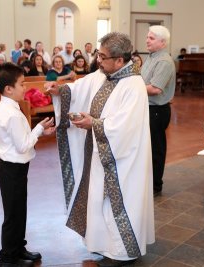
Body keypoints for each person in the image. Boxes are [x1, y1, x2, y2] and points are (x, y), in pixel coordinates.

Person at [47, 32, 155, 267]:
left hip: (122, 161)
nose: (98, 60)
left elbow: (126, 127)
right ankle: (107, 247)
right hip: (98, 154)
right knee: (99, 202)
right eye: (98, 54)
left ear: (119, 60)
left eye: (103, 57)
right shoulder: (105, 74)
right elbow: (81, 88)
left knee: (116, 203)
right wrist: (61, 91)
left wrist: (93, 124)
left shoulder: (134, 85)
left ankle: (122, 252)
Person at [0, 62, 55, 267]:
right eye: (21, 84)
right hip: (12, 168)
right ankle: (8, 258)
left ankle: (18, 248)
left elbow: (20, 139)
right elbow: (22, 145)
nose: (25, 87)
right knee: (13, 214)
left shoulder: (10, 106)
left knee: (19, 210)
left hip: (14, 167)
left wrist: (37, 132)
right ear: (8, 89)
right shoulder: (10, 113)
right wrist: (38, 130)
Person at [141, 25, 176, 196]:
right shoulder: (151, 57)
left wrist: (132, 87)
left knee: (156, 149)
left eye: (151, 38)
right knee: (146, 148)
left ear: (162, 42)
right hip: (148, 108)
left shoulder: (163, 61)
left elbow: (155, 89)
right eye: (147, 37)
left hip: (157, 110)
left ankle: (155, 186)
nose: (147, 40)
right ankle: (147, 182)